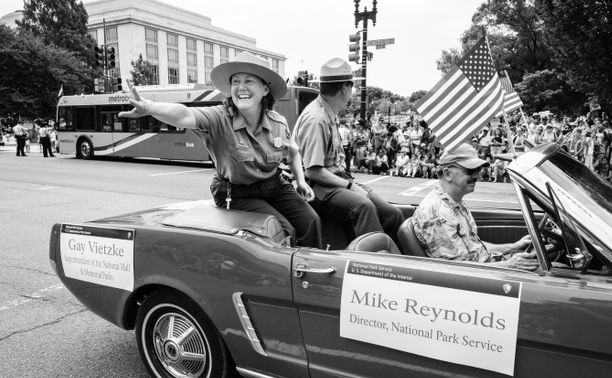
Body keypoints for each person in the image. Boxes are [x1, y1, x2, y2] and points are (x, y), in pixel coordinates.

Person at [119, 51, 321, 248]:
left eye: (249, 81)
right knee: (283, 231)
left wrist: (301, 181)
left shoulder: (278, 122)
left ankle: (314, 271)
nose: (241, 87)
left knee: (311, 220)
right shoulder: (219, 118)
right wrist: (151, 107)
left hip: (273, 184)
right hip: (237, 192)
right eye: (235, 82)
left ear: (265, 90)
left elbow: (293, 151)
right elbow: (184, 115)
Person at [293, 57, 404, 242]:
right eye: (352, 87)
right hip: (316, 187)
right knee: (364, 207)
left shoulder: (329, 113)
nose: (352, 92)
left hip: (335, 179)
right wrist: (351, 186)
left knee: (392, 214)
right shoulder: (316, 119)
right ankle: (373, 265)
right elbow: (313, 171)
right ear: (344, 88)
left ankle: (396, 261)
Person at [410, 143, 539, 270]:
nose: (477, 175)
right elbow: (458, 270)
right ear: (448, 174)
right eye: (470, 170)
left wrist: (514, 247)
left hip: (488, 266)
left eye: (478, 170)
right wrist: (509, 265)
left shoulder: (455, 203)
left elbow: (474, 247)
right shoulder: (438, 213)